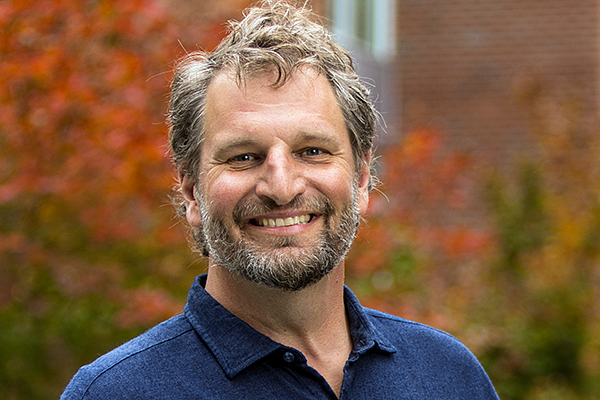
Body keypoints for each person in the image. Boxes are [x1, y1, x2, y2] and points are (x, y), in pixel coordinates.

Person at [61, 1, 500, 399]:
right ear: (191, 190)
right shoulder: (114, 393)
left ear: (363, 177)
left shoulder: (449, 376)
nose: (282, 186)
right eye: (244, 156)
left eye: (312, 151)